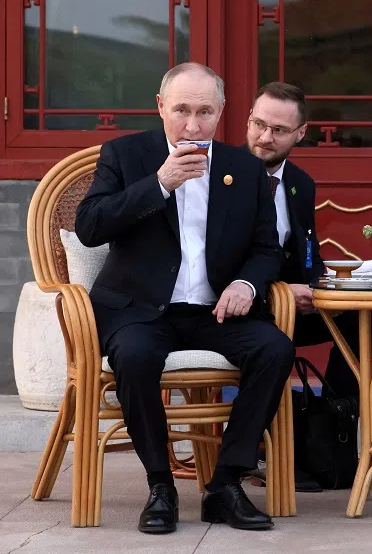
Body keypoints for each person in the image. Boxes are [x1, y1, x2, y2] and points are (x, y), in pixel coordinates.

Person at [75, 63, 294, 534]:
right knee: (134, 357)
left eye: (204, 112)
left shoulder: (245, 169)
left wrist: (247, 285)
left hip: (213, 310)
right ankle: (161, 486)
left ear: (222, 112)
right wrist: (159, 184)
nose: (192, 125)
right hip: (139, 308)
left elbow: (266, 249)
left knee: (274, 349)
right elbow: (89, 227)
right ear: (160, 107)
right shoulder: (124, 154)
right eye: (181, 111)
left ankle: (225, 483)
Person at [244, 81, 372, 491]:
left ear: (300, 134)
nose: (265, 137)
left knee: (364, 312)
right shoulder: (221, 175)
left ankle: (330, 442)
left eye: (279, 130)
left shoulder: (300, 183)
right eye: (258, 124)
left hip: (289, 304)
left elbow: (308, 253)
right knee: (275, 334)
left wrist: (320, 288)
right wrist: (278, 291)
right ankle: (282, 451)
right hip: (239, 308)